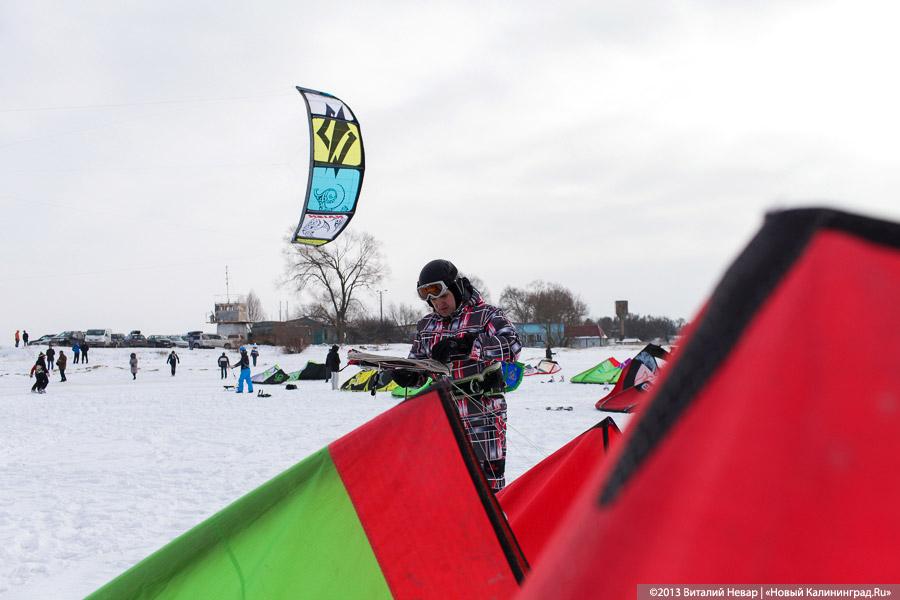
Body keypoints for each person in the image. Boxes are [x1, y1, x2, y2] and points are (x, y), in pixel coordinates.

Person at [385, 259, 521, 492]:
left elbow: (513, 345)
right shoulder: (426, 326)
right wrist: (407, 374)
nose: (439, 304)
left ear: (456, 288)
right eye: (433, 300)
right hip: (443, 415)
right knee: (448, 485)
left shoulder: (486, 315)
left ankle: (490, 527)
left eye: (443, 296)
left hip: (483, 413)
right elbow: (419, 365)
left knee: (488, 487)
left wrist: (470, 346)